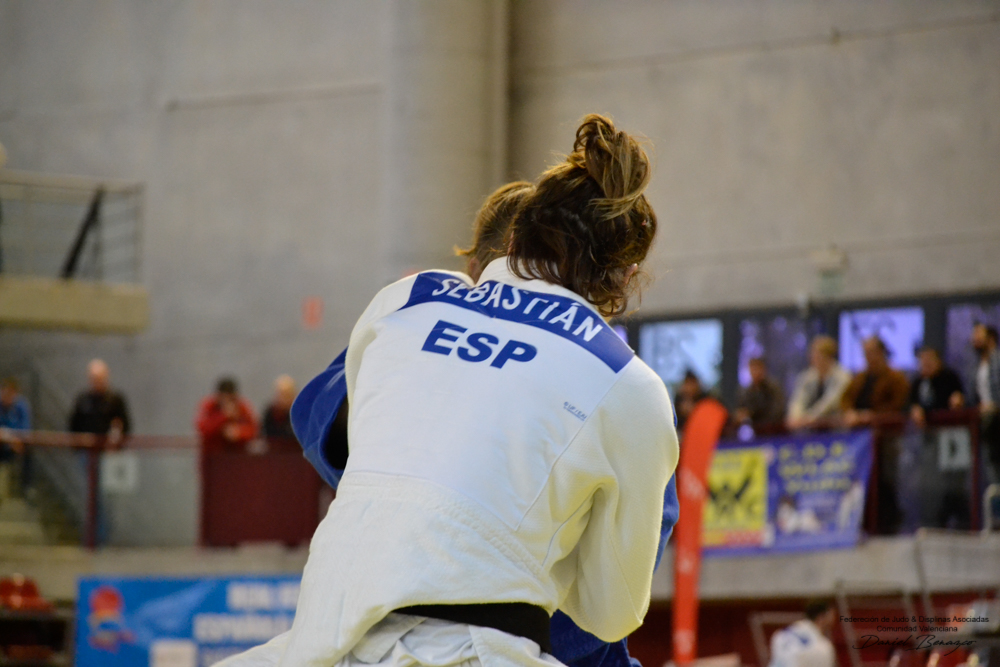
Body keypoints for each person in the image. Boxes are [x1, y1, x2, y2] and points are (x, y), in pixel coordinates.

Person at [222, 115, 679, 667]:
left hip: (322, 636)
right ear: (626, 277)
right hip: (476, 651)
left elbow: (324, 417)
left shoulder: (405, 300)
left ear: (513, 237)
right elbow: (610, 614)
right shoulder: (627, 383)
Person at [840, 336, 910, 428]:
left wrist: (873, 415)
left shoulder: (896, 378)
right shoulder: (860, 378)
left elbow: (897, 405)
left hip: (884, 429)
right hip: (857, 427)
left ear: (881, 352)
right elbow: (846, 398)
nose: (868, 357)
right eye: (865, 353)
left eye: (871, 352)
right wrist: (849, 412)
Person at [786, 336, 851, 430]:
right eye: (812, 355)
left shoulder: (842, 377)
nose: (814, 358)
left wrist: (809, 418)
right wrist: (795, 417)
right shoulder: (807, 376)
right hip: (809, 429)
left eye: (818, 355)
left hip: (836, 428)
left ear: (829, 357)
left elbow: (830, 402)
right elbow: (798, 400)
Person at [68, 359, 131, 438]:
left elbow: (125, 426)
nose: (97, 382)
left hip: (108, 443)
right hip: (85, 443)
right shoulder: (82, 400)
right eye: (94, 378)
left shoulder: (115, 400)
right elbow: (73, 426)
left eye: (100, 378)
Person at [970, 323, 1000, 482]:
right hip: (985, 423)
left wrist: (995, 405)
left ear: (990, 338)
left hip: (996, 417)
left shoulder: (998, 360)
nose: (974, 339)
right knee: (990, 464)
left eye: (978, 334)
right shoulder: (976, 365)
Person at [195, 377, 257, 453]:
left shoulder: (242, 407)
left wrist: (239, 432)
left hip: (237, 454)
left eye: (230, 398)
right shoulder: (209, 406)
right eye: (223, 398)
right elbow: (203, 428)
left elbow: (253, 429)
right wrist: (223, 416)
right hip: (212, 454)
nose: (226, 401)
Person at [768, 600, 836, 667]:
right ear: (821, 617)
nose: (834, 618)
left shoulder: (781, 634)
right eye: (831, 615)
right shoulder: (822, 647)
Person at [908, 347, 964, 429]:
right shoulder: (917, 382)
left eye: (929, 359)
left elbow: (959, 397)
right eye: (923, 360)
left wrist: (957, 399)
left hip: (948, 425)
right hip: (925, 428)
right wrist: (915, 409)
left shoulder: (949, 377)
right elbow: (912, 403)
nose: (926, 363)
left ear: (938, 361)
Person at [0, 378, 31, 501]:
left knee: (27, 451)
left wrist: (12, 438)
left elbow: (25, 428)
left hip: (14, 445)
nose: (7, 397)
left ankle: (26, 489)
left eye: (10, 393)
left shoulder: (21, 406)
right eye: (4, 393)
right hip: (2, 445)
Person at [735, 357, 786, 431]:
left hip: (774, 431)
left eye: (757, 368)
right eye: (753, 369)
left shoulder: (773, 389)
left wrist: (752, 413)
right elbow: (741, 411)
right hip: (754, 432)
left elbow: (777, 413)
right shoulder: (746, 392)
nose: (755, 372)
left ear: (763, 369)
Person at [262, 375, 298, 447]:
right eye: (281, 394)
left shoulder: (299, 412)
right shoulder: (270, 412)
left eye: (287, 394)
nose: (283, 398)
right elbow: (265, 433)